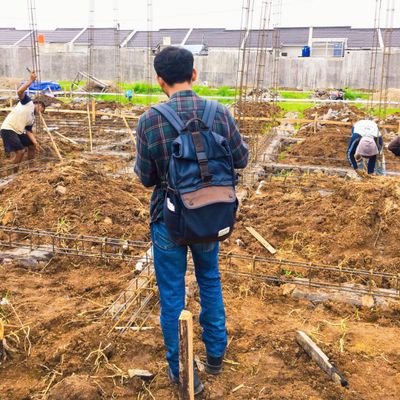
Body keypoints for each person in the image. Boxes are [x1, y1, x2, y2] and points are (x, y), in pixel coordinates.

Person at [134, 46, 248, 394]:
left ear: (159, 81)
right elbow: (240, 160)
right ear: (194, 74)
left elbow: (146, 177)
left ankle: (181, 370)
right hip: (209, 216)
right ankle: (216, 355)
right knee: (209, 279)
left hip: (168, 219)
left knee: (172, 294)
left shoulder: (149, 120)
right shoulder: (219, 113)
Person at [1, 71, 45, 172]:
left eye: (43, 110)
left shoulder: (32, 118)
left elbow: (29, 132)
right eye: (41, 107)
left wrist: (36, 143)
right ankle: (14, 172)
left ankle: (31, 168)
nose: (41, 110)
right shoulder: (28, 102)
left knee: (31, 145)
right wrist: (31, 81)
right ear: (36, 104)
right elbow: (20, 92)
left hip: (17, 132)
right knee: (20, 151)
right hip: (8, 129)